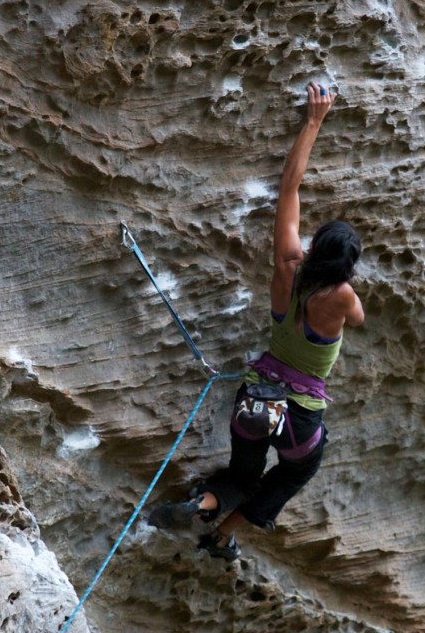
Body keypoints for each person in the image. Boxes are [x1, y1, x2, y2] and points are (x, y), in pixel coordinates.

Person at [149, 82, 364, 561]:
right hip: (298, 417)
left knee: (241, 475)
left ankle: (200, 502)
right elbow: (361, 317)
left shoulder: (288, 266)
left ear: (314, 249)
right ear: (346, 269)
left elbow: (289, 187)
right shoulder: (344, 298)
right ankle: (223, 534)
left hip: (256, 398)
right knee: (292, 474)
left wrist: (312, 122)